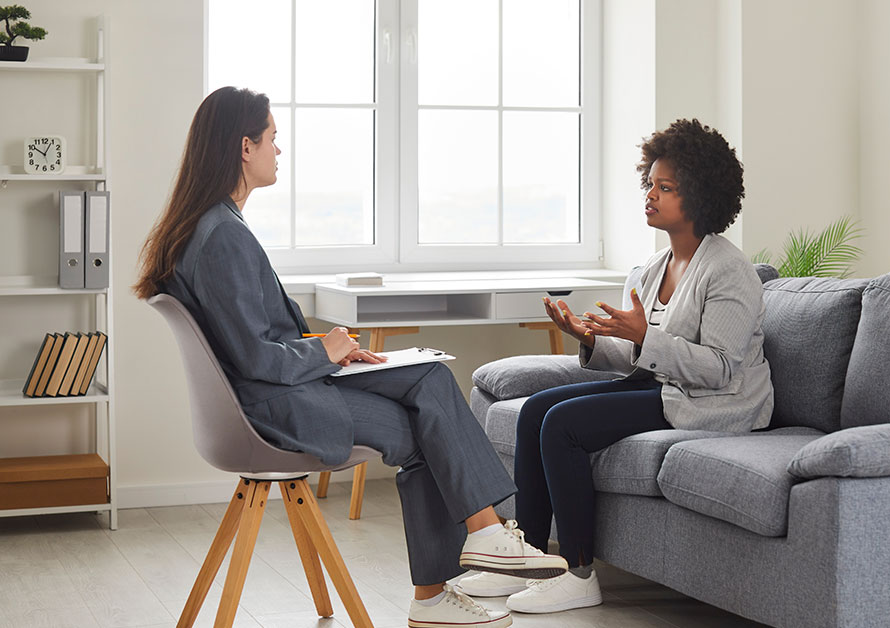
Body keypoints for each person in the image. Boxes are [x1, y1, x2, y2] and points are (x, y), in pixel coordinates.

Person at [133, 86, 567, 628]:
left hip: (283, 391)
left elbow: (252, 344)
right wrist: (326, 348)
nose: (278, 151)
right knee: (424, 428)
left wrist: (337, 355)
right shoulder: (222, 237)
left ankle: (479, 541)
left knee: (428, 376)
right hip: (274, 407)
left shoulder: (211, 226)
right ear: (245, 147)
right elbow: (254, 358)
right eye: (272, 140)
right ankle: (452, 573)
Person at [457, 119, 774, 614]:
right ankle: (531, 561)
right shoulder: (654, 267)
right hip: (666, 386)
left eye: (665, 188)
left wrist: (644, 336)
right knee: (536, 409)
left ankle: (579, 573)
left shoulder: (730, 270)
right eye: (650, 183)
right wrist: (586, 339)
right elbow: (635, 354)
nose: (650, 195)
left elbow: (719, 369)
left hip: (715, 403)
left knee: (563, 425)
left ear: (700, 196)